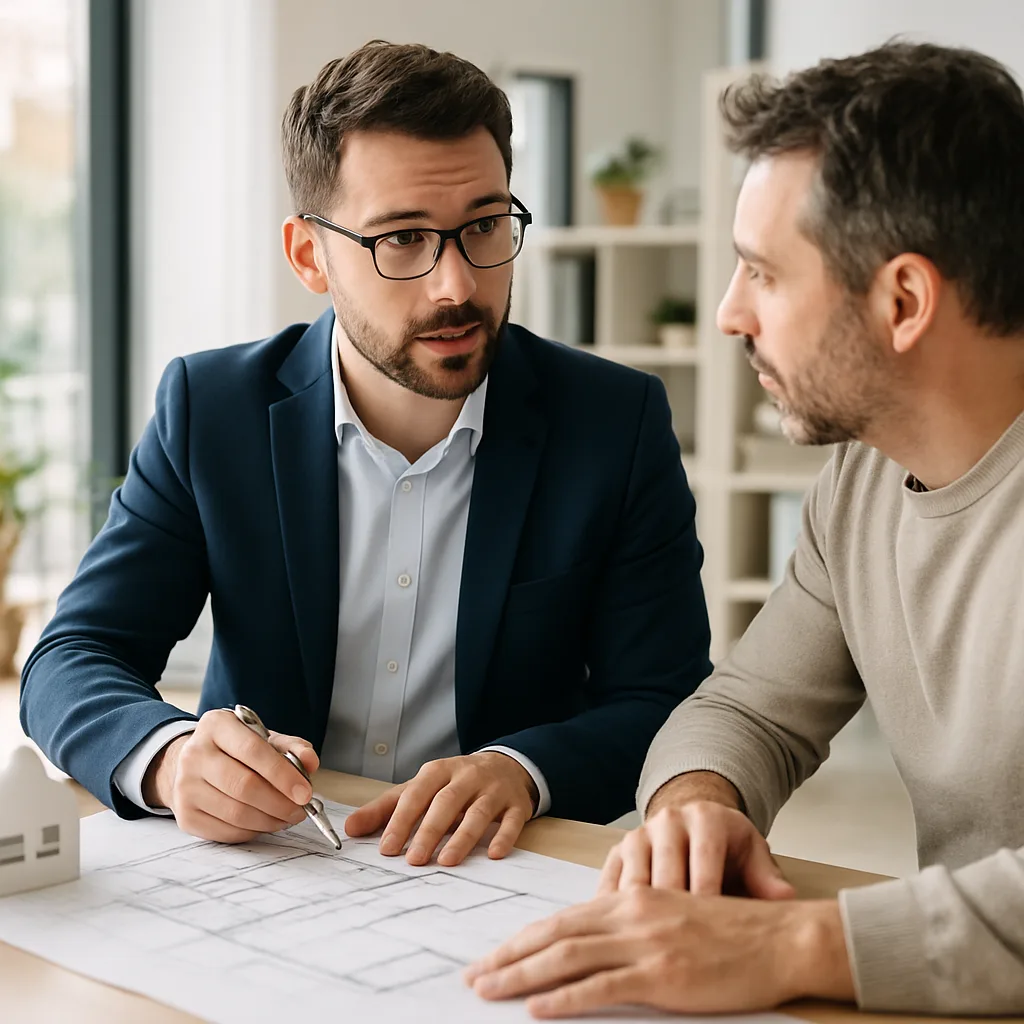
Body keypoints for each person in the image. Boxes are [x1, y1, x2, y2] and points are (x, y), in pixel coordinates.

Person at [19, 41, 710, 868]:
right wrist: (167, 760)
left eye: (484, 226)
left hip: (497, 871)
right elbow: (73, 656)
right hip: (270, 867)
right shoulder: (214, 411)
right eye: (402, 239)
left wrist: (523, 770)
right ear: (311, 255)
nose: (454, 283)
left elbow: (662, 698)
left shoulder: (614, 421)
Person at [464, 40, 1024, 1016]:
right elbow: (751, 708)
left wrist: (795, 941)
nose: (727, 314)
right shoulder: (862, 476)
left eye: (761, 273)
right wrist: (697, 804)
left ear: (902, 301)